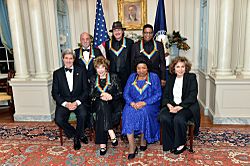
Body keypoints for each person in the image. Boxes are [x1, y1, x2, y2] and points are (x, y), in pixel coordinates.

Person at [122, 56, 162, 160]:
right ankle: (132, 146)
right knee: (127, 113)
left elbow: (158, 94)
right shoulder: (132, 77)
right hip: (133, 103)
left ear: (147, 68)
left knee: (144, 112)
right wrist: (131, 103)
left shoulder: (154, 77)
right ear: (136, 69)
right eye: (139, 68)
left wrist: (144, 102)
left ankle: (143, 140)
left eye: (143, 68)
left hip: (149, 104)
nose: (141, 70)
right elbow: (126, 93)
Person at [159, 56, 200, 155]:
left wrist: (180, 107)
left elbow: (192, 96)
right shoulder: (171, 78)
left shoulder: (191, 77)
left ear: (186, 68)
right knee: (164, 117)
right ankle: (170, 143)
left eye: (183, 67)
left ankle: (181, 144)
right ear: (174, 68)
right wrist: (169, 106)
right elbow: (166, 95)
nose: (180, 69)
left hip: (187, 106)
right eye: (178, 67)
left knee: (179, 118)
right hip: (172, 105)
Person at [52, 48, 89, 150]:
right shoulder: (57, 73)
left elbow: (86, 90)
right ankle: (77, 134)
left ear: (74, 59)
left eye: (71, 58)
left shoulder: (81, 71)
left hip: (78, 101)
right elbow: (54, 93)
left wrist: (77, 103)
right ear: (63, 59)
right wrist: (66, 104)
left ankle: (77, 138)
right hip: (64, 102)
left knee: (83, 114)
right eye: (66, 58)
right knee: (58, 119)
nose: (68, 60)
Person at [89, 56, 123, 156]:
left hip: (112, 104)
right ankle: (110, 131)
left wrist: (111, 96)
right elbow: (90, 94)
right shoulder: (93, 78)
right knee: (101, 104)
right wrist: (101, 95)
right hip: (97, 103)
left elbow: (120, 93)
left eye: (102, 67)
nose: (100, 70)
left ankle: (102, 144)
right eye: (98, 67)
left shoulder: (113, 77)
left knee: (101, 111)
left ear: (106, 67)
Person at [106, 21, 134, 90]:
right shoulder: (108, 44)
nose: (117, 32)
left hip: (127, 75)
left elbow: (132, 59)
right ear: (112, 32)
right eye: (115, 30)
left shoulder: (129, 42)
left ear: (122, 31)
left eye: (119, 30)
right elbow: (108, 58)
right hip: (113, 75)